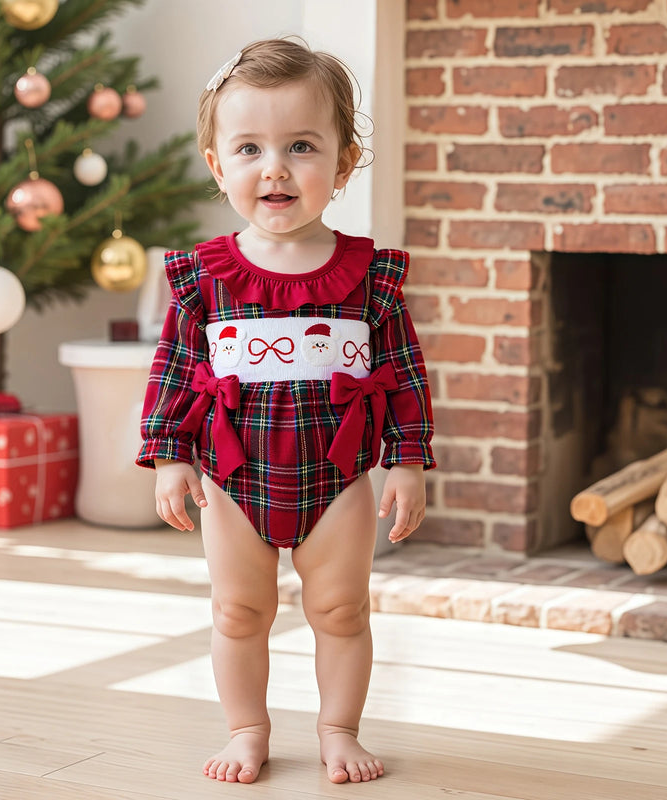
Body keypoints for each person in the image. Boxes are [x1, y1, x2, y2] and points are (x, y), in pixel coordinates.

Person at [137, 37, 435, 785]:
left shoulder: (369, 279)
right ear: (218, 165)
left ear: (342, 163)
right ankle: (247, 728)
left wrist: (406, 461)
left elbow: (401, 373)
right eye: (249, 148)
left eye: (301, 145)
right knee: (238, 612)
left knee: (342, 611)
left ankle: (339, 728)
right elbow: (175, 367)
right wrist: (169, 453)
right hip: (234, 479)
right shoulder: (205, 279)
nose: (274, 167)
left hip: (338, 480)